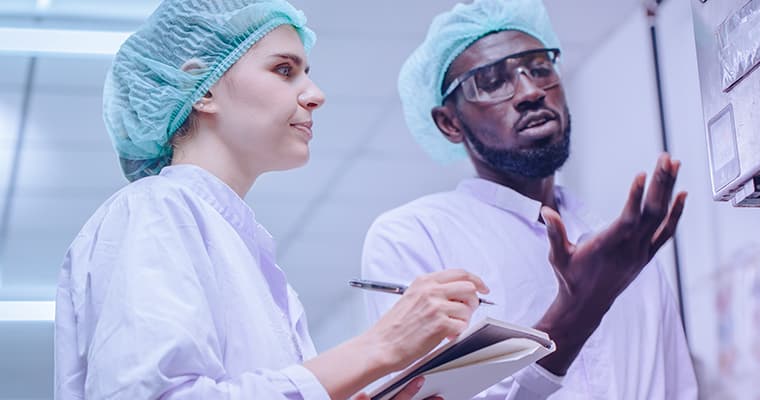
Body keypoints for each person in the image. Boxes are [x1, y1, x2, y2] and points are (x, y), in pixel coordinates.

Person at [53, 1, 489, 399]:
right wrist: (379, 346)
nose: (316, 95)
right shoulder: (154, 211)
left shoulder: (242, 249)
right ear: (199, 86)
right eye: (284, 70)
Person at [361, 0, 697, 398]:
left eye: (540, 68)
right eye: (490, 81)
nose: (531, 91)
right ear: (450, 122)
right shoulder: (415, 236)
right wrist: (578, 310)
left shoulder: (623, 248)